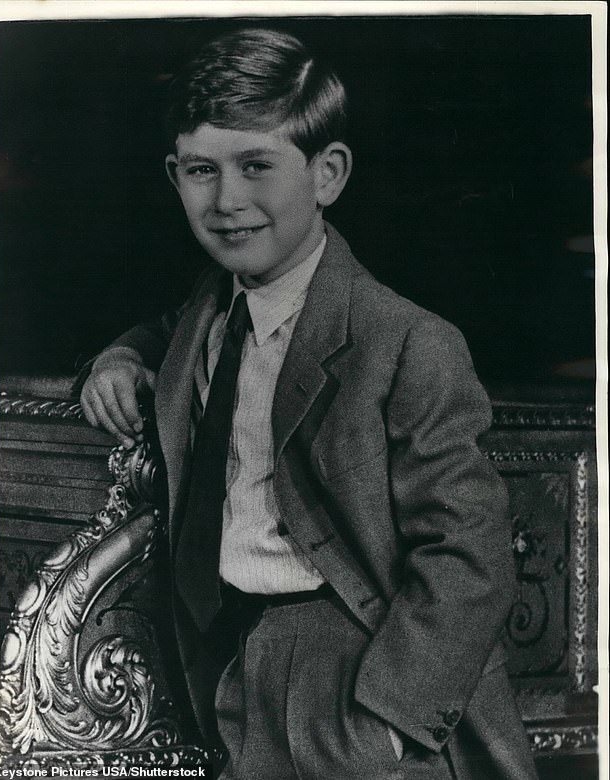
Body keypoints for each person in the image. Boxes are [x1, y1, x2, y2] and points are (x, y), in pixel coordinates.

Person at [79, 27, 539, 780]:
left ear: (327, 174)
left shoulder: (407, 342)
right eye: (202, 170)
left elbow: (469, 556)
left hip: (356, 671)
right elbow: (168, 334)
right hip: (232, 665)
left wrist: (386, 724)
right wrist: (121, 356)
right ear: (174, 175)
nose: (228, 202)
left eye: (257, 166)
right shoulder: (212, 311)